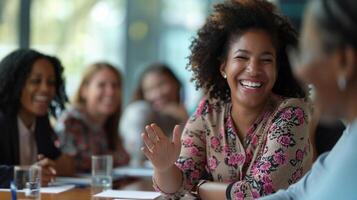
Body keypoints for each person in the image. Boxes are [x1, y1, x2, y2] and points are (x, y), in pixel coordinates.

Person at [141, 1, 313, 199]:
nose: (254, 69)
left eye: (266, 60)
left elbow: (260, 194)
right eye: (242, 57)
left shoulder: (291, 114)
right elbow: (176, 186)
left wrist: (198, 188)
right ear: (223, 67)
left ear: (277, 68)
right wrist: (164, 168)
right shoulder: (208, 111)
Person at [261, 0, 357, 199]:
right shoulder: (349, 137)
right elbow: (295, 195)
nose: (300, 71)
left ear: (344, 62)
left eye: (305, 54)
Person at [0, 49, 71, 188]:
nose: (45, 89)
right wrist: (26, 175)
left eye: (51, 82)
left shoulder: (40, 120)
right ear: (15, 84)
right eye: (35, 81)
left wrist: (50, 167)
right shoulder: (2, 119)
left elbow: (60, 163)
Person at [56, 62, 130, 173]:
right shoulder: (71, 120)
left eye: (115, 86)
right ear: (84, 91)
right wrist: (111, 158)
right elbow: (69, 164)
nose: (111, 92)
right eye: (101, 85)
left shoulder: (108, 123)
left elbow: (125, 157)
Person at [120, 63, 188, 166]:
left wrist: (185, 119)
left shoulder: (183, 113)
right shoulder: (139, 111)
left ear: (176, 84)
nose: (158, 94)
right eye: (150, 89)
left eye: (162, 84)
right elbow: (138, 154)